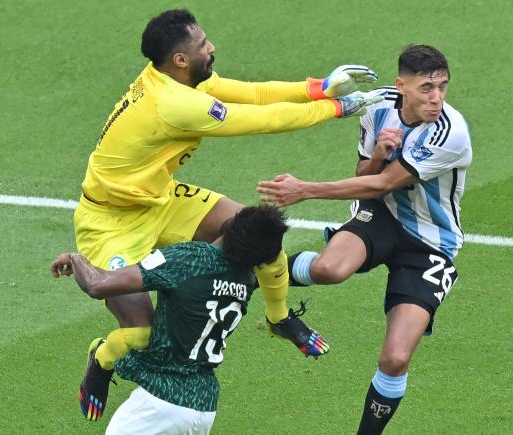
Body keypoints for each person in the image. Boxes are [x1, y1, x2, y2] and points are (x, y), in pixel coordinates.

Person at [73, 9, 384, 420]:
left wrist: (320, 87)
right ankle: (102, 359)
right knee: (142, 335)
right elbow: (260, 119)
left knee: (260, 235)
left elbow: (252, 93)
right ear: (180, 59)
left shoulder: (178, 78)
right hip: (110, 223)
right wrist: (337, 109)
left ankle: (279, 317)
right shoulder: (174, 103)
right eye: (202, 45)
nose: (212, 47)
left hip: (160, 200)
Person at [257, 44, 472, 434]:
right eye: (426, 87)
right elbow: (367, 172)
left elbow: (388, 181)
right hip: (382, 215)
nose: (437, 98)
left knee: (395, 358)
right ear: (401, 86)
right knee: (329, 269)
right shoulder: (377, 107)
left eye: (443, 86)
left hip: (431, 244)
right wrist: (378, 152)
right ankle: (266, 270)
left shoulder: (449, 132)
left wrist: (305, 189)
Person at [53, 205, 300, 433]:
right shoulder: (245, 279)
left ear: (230, 224)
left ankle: (103, 359)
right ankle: (103, 360)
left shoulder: (189, 258)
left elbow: (98, 285)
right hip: (204, 407)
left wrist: (77, 259)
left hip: (161, 402)